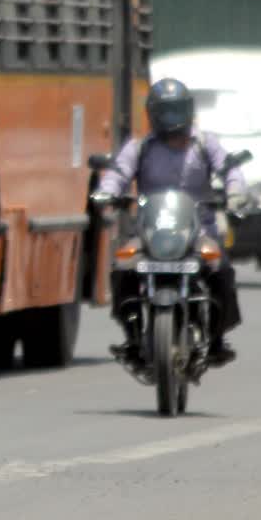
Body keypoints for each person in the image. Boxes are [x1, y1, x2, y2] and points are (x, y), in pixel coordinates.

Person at [95, 77, 247, 366]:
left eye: (176, 111)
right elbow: (118, 172)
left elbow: (230, 170)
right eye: (164, 112)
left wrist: (236, 194)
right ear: (152, 114)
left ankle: (215, 338)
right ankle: (132, 335)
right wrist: (107, 193)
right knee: (122, 266)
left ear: (188, 112)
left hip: (198, 230)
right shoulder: (140, 148)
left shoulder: (205, 144)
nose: (171, 119)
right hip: (151, 230)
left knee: (220, 269)